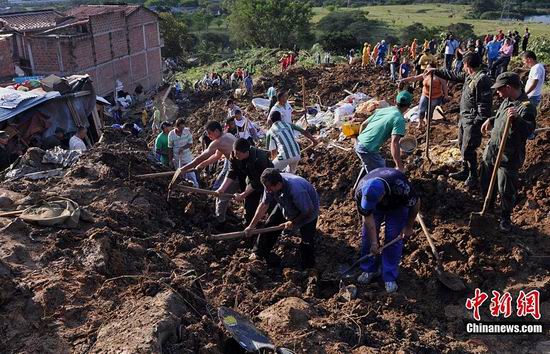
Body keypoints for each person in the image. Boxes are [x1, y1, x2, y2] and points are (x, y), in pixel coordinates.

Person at [480, 73, 536, 231]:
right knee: (485, 179)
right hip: (493, 150)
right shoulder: (506, 101)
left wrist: (518, 119)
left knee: (505, 188)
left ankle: (505, 218)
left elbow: (529, 131)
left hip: (508, 155)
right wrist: (491, 120)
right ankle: (488, 209)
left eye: (499, 89)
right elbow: (501, 118)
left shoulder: (526, 107)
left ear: (508, 88)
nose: (497, 92)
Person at [428, 52, 493, 189]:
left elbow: (485, 106)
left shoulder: (482, 79)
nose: (462, 67)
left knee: (469, 149)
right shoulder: (469, 76)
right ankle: (465, 170)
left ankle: (473, 175)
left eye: (463, 64)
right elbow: (452, 75)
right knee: (462, 146)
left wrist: (477, 123)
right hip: (464, 118)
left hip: (472, 121)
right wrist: (436, 71)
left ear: (467, 64)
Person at [354, 167, 420, 293]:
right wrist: (374, 243)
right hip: (377, 208)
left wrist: (409, 227)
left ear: (382, 195)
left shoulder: (401, 187)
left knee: (393, 237)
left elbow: (416, 203)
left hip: (397, 206)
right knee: (367, 237)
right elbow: (367, 218)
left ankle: (389, 276)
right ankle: (369, 269)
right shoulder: (360, 191)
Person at [246, 168, 319, 269]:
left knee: (307, 241)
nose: (267, 191)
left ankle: (308, 268)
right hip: (285, 203)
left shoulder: (296, 190)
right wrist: (251, 226)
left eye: (270, 189)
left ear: (278, 184)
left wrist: (292, 222)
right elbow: (264, 204)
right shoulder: (269, 184)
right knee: (270, 223)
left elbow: (307, 211)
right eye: (266, 188)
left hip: (308, 210)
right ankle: (258, 253)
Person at [174, 121, 237, 224]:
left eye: (210, 133)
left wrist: (183, 169)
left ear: (216, 131)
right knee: (223, 192)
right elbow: (216, 156)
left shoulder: (218, 142)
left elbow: (201, 157)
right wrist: (202, 165)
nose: (208, 136)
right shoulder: (227, 135)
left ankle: (220, 221)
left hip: (237, 170)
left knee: (223, 195)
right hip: (237, 166)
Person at [216, 138, 274, 226]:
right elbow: (232, 172)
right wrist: (222, 189)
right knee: (249, 210)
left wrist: (243, 195)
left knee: (269, 205)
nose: (235, 156)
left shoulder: (259, 159)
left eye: (238, 154)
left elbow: (257, 182)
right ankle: (247, 225)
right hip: (248, 178)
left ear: (246, 152)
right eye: (235, 152)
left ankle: (270, 225)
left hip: (266, 181)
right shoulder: (234, 155)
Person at [354, 91, 412, 174]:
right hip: (367, 149)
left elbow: (363, 125)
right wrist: (399, 165)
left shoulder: (384, 110)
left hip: (358, 142)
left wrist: (361, 142)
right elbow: (394, 143)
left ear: (395, 101)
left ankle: (367, 170)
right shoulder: (399, 119)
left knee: (370, 164)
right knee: (381, 174)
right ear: (408, 106)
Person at [399, 64, 448, 128]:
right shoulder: (425, 75)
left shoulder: (439, 76)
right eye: (427, 68)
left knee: (430, 110)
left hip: (435, 96)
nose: (427, 70)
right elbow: (414, 78)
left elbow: (444, 85)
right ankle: (420, 123)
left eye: (429, 69)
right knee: (421, 109)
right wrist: (404, 80)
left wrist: (446, 95)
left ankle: (428, 123)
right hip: (425, 94)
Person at [168, 118, 198, 187]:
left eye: (183, 127)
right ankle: (185, 189)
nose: (182, 129)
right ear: (176, 126)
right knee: (180, 175)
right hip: (177, 158)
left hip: (187, 156)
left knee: (191, 173)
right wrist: (170, 160)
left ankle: (196, 187)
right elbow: (170, 148)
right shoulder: (171, 134)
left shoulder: (187, 131)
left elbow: (190, 143)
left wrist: (183, 148)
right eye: (180, 128)